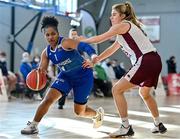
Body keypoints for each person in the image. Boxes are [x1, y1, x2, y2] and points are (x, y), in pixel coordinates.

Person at [81, 1, 167, 137]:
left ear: (122, 16)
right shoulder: (125, 30)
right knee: (144, 93)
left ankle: (125, 126)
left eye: (114, 14)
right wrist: (96, 60)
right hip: (155, 60)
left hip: (146, 60)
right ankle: (158, 124)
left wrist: (80, 41)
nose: (111, 17)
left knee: (116, 90)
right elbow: (111, 49)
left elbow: (99, 39)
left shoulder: (123, 25)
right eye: (111, 15)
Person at [21, 16, 104, 135]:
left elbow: (84, 46)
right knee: (47, 99)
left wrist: (93, 57)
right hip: (65, 76)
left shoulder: (65, 42)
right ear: (45, 36)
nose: (50, 37)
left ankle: (97, 115)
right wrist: (39, 74)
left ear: (58, 33)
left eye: (53, 34)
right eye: (47, 35)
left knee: (79, 112)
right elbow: (42, 69)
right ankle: (33, 125)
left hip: (83, 76)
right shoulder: (47, 52)